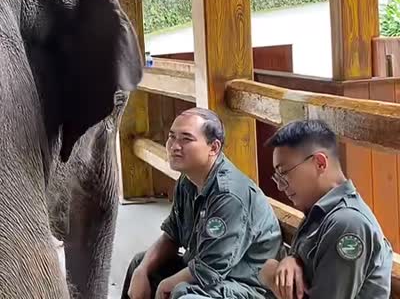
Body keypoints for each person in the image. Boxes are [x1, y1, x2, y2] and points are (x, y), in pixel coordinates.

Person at [121, 108, 282, 299]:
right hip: (212, 276)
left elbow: (209, 270)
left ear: (213, 148)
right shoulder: (188, 179)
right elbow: (172, 236)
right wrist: (142, 271)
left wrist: (166, 284)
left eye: (186, 139)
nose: (174, 146)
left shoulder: (229, 195)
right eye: (172, 137)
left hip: (245, 285)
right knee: (141, 264)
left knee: (181, 293)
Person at [258, 119, 393, 299]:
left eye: (284, 173)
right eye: (278, 177)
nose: (281, 187)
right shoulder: (320, 213)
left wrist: (270, 273)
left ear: (320, 163)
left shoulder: (348, 223)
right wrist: (292, 259)